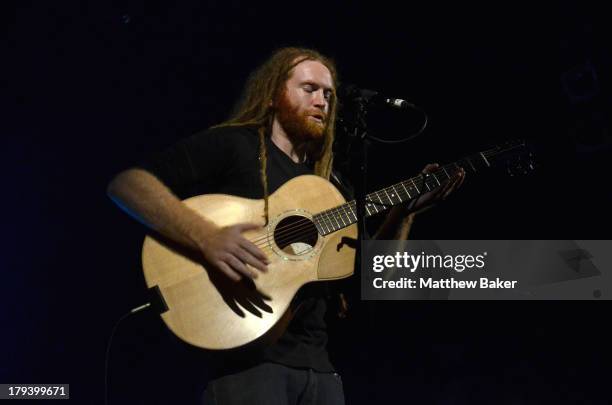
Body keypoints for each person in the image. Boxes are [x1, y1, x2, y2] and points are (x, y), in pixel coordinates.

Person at [107, 46, 464, 404]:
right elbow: (128, 185)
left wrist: (403, 214)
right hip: (246, 368)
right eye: (309, 89)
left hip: (321, 372)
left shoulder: (332, 187)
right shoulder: (236, 145)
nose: (322, 101)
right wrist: (206, 237)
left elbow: (377, 280)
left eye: (328, 94)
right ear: (275, 94)